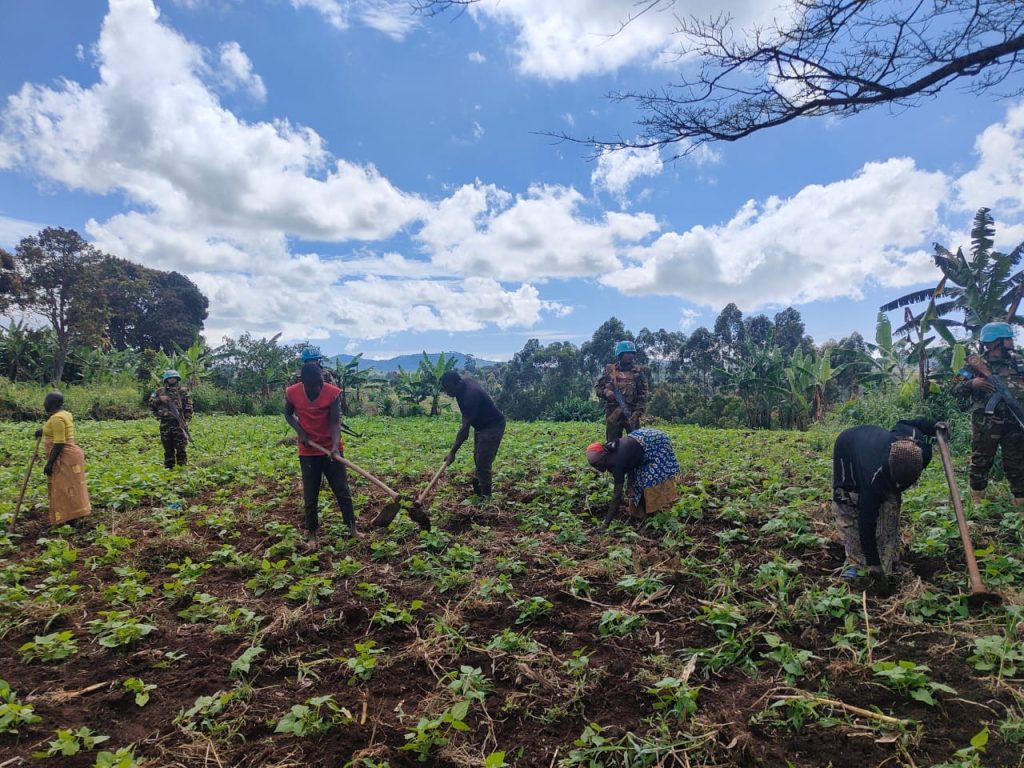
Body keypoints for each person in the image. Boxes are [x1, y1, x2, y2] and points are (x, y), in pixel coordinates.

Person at [832, 418, 940, 593]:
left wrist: (934, 426)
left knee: (890, 506)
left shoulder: (921, 451)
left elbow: (908, 422)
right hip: (848, 446)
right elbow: (866, 522)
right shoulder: (874, 477)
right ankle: (855, 564)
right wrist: (874, 566)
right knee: (848, 503)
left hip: (873, 445)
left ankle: (889, 560)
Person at [285, 362, 356, 549]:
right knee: (311, 493)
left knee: (342, 489)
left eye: (319, 384)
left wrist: (334, 447)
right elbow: (288, 415)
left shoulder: (332, 393)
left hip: (331, 447)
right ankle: (312, 535)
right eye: (313, 386)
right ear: (304, 383)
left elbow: (334, 422)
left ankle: (353, 529)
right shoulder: (292, 392)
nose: (317, 388)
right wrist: (300, 431)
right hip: (308, 450)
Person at [953, 321, 1024, 505]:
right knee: (981, 460)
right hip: (986, 422)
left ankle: (1020, 502)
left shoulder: (1018, 360)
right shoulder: (974, 365)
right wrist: (971, 384)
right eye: (1007, 338)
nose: (1011, 341)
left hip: (1015, 420)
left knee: (1017, 462)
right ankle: (978, 502)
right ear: (995, 342)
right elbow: (953, 388)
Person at [586, 427, 681, 526]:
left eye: (598, 464)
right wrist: (630, 484)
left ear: (604, 456)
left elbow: (617, 496)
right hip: (641, 439)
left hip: (656, 442)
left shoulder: (616, 463)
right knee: (635, 484)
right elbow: (630, 464)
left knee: (650, 481)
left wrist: (606, 522)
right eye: (594, 466)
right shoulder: (610, 451)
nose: (597, 468)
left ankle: (651, 516)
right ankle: (636, 515)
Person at [441, 370, 506, 499]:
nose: (448, 393)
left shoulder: (470, 396)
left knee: (483, 462)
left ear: (458, 383)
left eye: (449, 388)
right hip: (481, 425)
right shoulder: (464, 383)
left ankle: (486, 498)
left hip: (493, 425)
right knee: (478, 457)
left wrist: (452, 452)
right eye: (445, 389)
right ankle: (478, 486)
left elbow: (465, 430)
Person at [35, 391, 91, 526]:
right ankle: (73, 517)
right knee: (71, 486)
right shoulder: (65, 414)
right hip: (72, 455)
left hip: (65, 456)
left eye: (46, 402)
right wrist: (42, 431)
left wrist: (49, 464)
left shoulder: (56, 418)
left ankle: (71, 519)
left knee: (63, 488)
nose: (44, 404)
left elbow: (59, 442)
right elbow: (58, 430)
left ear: (52, 403)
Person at [595, 340, 647, 441]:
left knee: (636, 443)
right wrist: (606, 393)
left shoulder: (637, 372)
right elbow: (598, 387)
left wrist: (637, 413)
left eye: (632, 353)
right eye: (627, 353)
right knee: (612, 444)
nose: (631, 356)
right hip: (613, 414)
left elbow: (643, 394)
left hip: (631, 414)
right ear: (620, 354)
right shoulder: (609, 370)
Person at [149, 370, 194, 469]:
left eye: (174, 377)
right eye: (170, 377)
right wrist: (160, 399)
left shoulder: (183, 391)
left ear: (177, 378)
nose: (172, 379)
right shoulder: (159, 391)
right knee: (168, 447)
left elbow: (188, 406)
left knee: (181, 447)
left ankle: (182, 467)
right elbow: (151, 405)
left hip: (178, 423)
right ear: (166, 379)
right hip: (165, 424)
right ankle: (169, 468)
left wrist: (186, 420)